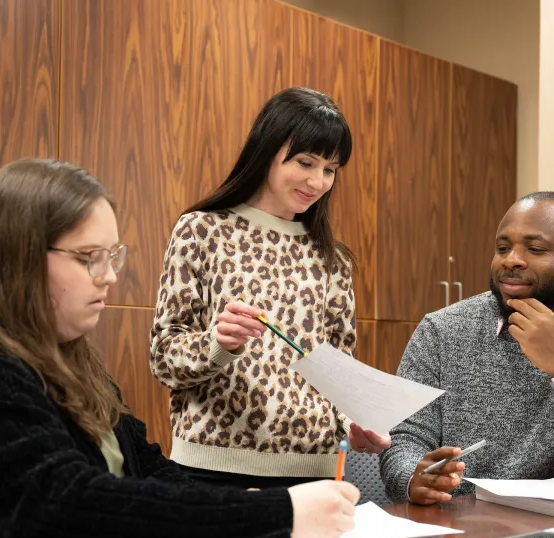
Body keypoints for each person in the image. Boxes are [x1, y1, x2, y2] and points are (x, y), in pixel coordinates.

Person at [0, 158, 360, 538]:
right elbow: (61, 507)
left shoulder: (70, 359)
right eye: (88, 257)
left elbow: (146, 467)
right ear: (14, 259)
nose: (109, 276)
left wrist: (261, 500)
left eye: (113, 256)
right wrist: (278, 513)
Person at [150, 87, 390, 490]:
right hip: (212, 468)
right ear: (267, 151)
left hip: (312, 474)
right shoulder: (202, 231)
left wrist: (355, 422)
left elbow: (337, 374)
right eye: (305, 162)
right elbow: (164, 358)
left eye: (330, 169)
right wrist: (218, 344)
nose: (317, 181)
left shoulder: (334, 259)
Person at [379, 192, 554, 505]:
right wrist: (412, 479)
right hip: (454, 523)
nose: (511, 259)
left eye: (535, 248)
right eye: (502, 248)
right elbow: (404, 438)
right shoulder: (441, 330)